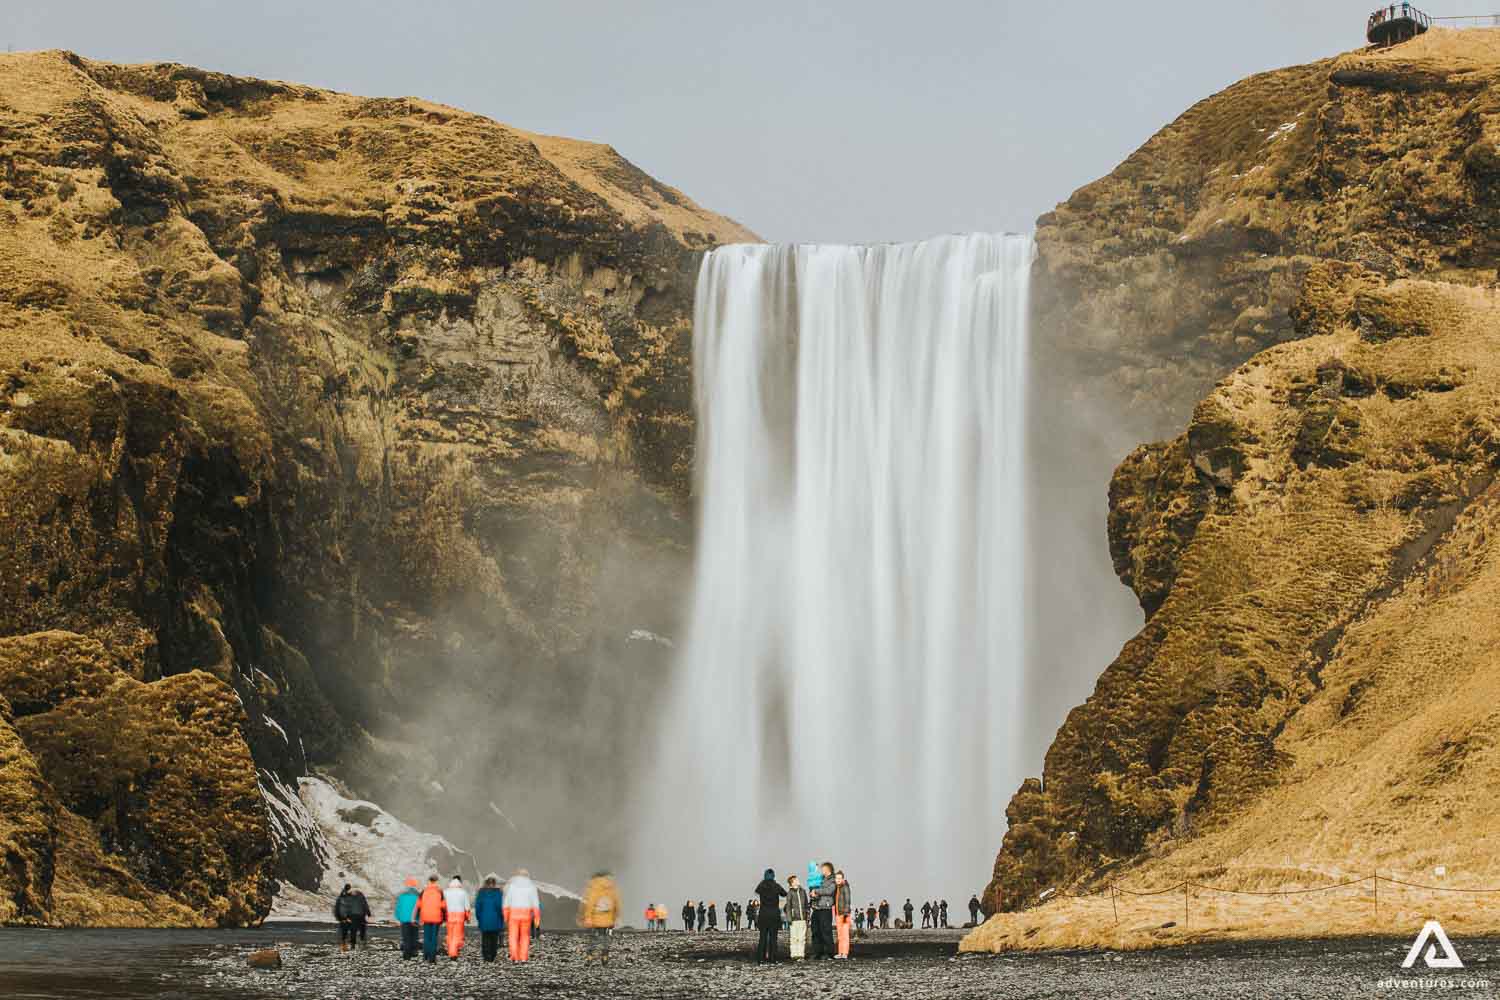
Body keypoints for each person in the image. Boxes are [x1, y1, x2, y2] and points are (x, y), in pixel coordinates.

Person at [578, 870, 621, 963]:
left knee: (593, 937)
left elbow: (589, 904)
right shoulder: (611, 889)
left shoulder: (593, 888)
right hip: (608, 919)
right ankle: (605, 956)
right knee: (606, 937)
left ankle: (590, 956)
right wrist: (615, 918)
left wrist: (585, 917)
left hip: (594, 920)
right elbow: (616, 905)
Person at [504, 869, 542, 962]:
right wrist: (537, 918)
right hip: (526, 914)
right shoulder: (532, 887)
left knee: (513, 936)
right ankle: (523, 957)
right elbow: (535, 904)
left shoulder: (512, 887)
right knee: (525, 936)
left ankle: (515, 957)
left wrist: (505, 916)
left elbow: (507, 902)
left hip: (514, 914)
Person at [753, 868, 787, 963]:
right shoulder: (776, 886)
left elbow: (756, 891)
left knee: (762, 937)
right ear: (773, 876)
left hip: (763, 914)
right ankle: (773, 958)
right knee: (773, 938)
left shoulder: (761, 885)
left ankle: (761, 958)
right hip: (774, 914)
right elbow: (784, 894)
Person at [475, 874, 506, 962]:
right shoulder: (498, 893)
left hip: (484, 920)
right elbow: (499, 907)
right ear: (494, 884)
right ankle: (492, 955)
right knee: (494, 939)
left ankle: (486, 956)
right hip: (495, 920)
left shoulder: (481, 894)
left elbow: (478, 907)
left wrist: (479, 918)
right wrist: (502, 917)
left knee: (485, 939)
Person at [417, 875, 447, 963]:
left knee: (426, 937)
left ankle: (425, 955)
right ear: (437, 881)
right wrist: (444, 917)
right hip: (436, 917)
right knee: (434, 937)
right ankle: (432, 958)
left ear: (429, 881)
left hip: (426, 916)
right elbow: (443, 906)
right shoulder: (440, 891)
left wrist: (419, 917)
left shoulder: (423, 891)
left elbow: (419, 905)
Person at [810, 861, 836, 959]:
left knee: (826, 931)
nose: (821, 871)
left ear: (828, 869)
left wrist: (816, 891)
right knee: (816, 931)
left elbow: (829, 891)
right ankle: (817, 952)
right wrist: (812, 894)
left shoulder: (832, 880)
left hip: (825, 908)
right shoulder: (820, 879)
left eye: (823, 869)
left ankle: (829, 953)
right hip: (817, 908)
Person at [443, 876, 470, 960]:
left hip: (449, 915)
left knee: (450, 934)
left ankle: (451, 949)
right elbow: (467, 906)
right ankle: (453, 952)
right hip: (459, 916)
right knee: (457, 935)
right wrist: (468, 918)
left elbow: (443, 905)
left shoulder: (445, 892)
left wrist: (443, 916)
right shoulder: (463, 892)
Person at [395, 877, 421, 960]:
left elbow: (398, 908)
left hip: (404, 919)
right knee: (414, 936)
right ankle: (413, 952)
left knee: (406, 937)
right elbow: (420, 908)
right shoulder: (418, 895)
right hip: (415, 919)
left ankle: (406, 955)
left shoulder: (402, 896)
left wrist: (398, 918)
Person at [786, 874, 810, 960]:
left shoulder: (803, 891)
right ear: (791, 883)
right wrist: (789, 918)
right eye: (795, 880)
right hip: (794, 919)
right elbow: (788, 906)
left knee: (802, 937)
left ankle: (801, 954)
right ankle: (794, 954)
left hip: (802, 918)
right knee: (794, 937)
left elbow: (806, 904)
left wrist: (807, 915)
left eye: (797, 879)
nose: (797, 881)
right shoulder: (790, 893)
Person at [833, 870, 853, 958]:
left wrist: (846, 914)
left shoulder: (845, 887)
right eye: (837, 878)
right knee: (840, 935)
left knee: (845, 934)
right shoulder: (837, 888)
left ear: (842, 879)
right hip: (838, 914)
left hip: (844, 914)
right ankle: (840, 952)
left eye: (839, 878)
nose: (838, 880)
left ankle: (845, 953)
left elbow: (848, 901)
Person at [333, 884, 357, 952]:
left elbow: (338, 909)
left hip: (344, 918)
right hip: (345, 918)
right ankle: (345, 947)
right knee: (346, 933)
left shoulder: (341, 897)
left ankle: (345, 947)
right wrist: (344, 918)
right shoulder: (344, 899)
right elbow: (342, 909)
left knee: (345, 933)